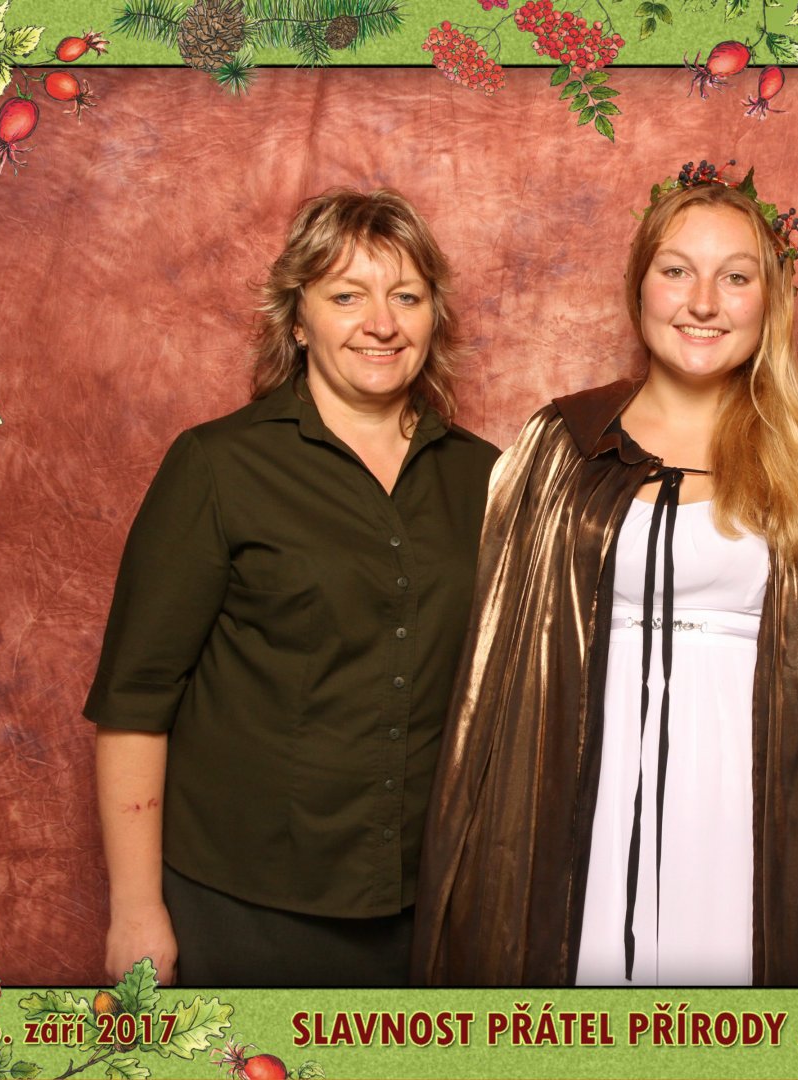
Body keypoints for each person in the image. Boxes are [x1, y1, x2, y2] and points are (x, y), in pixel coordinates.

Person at [412, 161, 798, 987]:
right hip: (580, 792)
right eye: (676, 271)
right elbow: (501, 674)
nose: (703, 302)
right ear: (639, 286)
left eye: (735, 277)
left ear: (770, 300)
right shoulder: (562, 446)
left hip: (750, 800)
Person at [85, 188, 498, 986]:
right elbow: (135, 701)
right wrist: (135, 909)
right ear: (299, 318)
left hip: (427, 904)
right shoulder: (217, 466)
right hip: (243, 903)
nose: (381, 323)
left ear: (432, 316)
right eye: (346, 296)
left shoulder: (486, 477)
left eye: (406, 296)